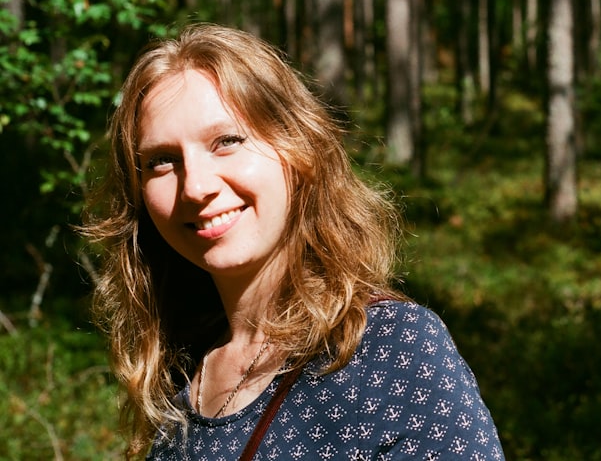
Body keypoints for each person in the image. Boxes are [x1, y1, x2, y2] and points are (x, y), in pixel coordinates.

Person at [84, 23, 504, 460]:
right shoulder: (180, 372)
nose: (195, 188)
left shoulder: (391, 351)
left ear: (297, 150)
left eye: (226, 141)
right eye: (161, 161)